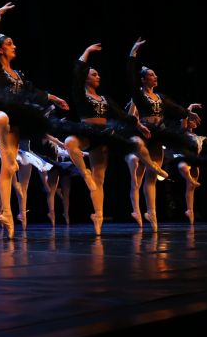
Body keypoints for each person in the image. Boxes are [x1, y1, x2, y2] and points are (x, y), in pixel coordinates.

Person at [0, 3, 68, 237]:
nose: (14, 46)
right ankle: (0, 137)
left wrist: (54, 97)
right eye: (9, 44)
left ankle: (7, 213)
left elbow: (33, 92)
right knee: (3, 118)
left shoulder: (19, 75)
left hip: (15, 124)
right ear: (0, 50)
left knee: (10, 166)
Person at [61, 43, 168, 234]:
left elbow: (123, 115)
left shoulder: (105, 99)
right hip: (86, 134)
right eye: (94, 74)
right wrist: (86, 52)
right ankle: (84, 173)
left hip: (102, 138)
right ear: (85, 78)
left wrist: (139, 125)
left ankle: (99, 216)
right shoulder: (80, 93)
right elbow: (76, 71)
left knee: (104, 174)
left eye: (98, 74)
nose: (98, 76)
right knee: (70, 142)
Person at [125, 37, 199, 231]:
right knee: (138, 176)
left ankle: (153, 215)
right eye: (151, 75)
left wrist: (188, 112)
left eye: (155, 74)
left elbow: (175, 108)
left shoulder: (160, 97)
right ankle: (137, 209)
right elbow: (130, 79)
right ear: (143, 79)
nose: (155, 77)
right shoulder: (138, 95)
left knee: (150, 178)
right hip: (143, 135)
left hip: (158, 137)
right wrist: (133, 53)